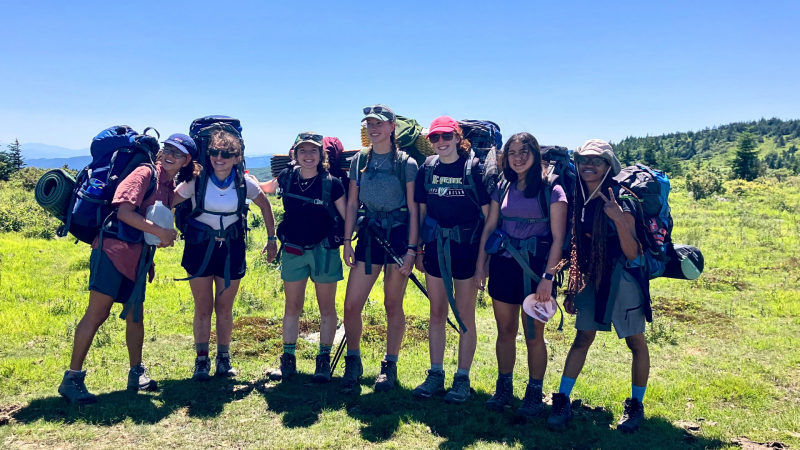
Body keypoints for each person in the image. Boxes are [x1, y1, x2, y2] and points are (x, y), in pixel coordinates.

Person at [58, 134, 199, 403]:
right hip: (112, 251)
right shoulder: (144, 172)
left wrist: (151, 258)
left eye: (177, 153)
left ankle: (136, 372)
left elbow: (148, 219)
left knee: (135, 316)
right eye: (167, 148)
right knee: (97, 314)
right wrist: (160, 232)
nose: (169, 154)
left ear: (186, 160)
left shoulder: (168, 186)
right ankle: (72, 378)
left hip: (138, 257)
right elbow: (124, 212)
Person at [546, 139, 650, 433]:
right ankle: (563, 399)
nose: (588, 166)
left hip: (624, 277)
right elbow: (578, 246)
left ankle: (635, 405)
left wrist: (618, 220)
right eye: (583, 160)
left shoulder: (622, 199)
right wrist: (572, 288)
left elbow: (633, 252)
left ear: (609, 166)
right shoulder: (580, 197)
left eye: (596, 161)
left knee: (635, 341)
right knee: (582, 338)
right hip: (591, 278)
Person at [474, 132, 568, 417]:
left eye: (524, 151)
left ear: (535, 154)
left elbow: (559, 238)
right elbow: (490, 226)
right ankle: (504, 390)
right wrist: (482, 264)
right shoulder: (502, 186)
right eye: (512, 152)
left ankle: (534, 393)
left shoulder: (552, 188)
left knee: (532, 334)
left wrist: (548, 279)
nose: (517, 157)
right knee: (504, 331)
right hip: (503, 264)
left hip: (535, 269)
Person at [174, 128, 278, 381]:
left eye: (225, 153)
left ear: (236, 157)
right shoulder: (196, 180)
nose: (218, 158)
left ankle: (223, 359)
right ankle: (201, 360)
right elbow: (169, 202)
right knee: (203, 307)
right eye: (213, 152)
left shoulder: (245, 183)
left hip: (231, 248)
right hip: (199, 247)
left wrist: (272, 239)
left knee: (224, 307)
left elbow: (265, 206)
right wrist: (158, 230)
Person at [411, 116, 490, 403]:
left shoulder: (474, 169)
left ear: (457, 137)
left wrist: (483, 261)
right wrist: (418, 249)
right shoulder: (427, 169)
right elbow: (420, 213)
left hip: (466, 250)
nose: (440, 143)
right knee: (436, 313)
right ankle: (436, 374)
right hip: (434, 249)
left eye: (446, 136)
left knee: (465, 316)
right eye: (435, 138)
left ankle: (462, 378)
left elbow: (488, 217)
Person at [340, 105, 419, 391]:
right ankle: (354, 361)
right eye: (370, 124)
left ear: (392, 127)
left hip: (397, 236)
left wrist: (412, 250)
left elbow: (413, 209)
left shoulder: (406, 163)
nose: (374, 128)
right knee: (351, 305)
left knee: (391, 303)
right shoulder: (359, 160)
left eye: (379, 123)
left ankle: (390, 365)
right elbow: (351, 203)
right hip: (370, 235)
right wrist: (348, 241)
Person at [268, 132, 347, 383]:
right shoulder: (287, 178)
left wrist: (346, 243)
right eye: (303, 151)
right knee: (292, 307)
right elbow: (267, 189)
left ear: (321, 154)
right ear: (295, 154)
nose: (308, 155)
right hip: (293, 250)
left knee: (326, 309)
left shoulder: (332, 183)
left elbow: (347, 217)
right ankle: (288, 359)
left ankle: (323, 361)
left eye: (313, 150)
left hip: (324, 251)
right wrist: (243, 181)